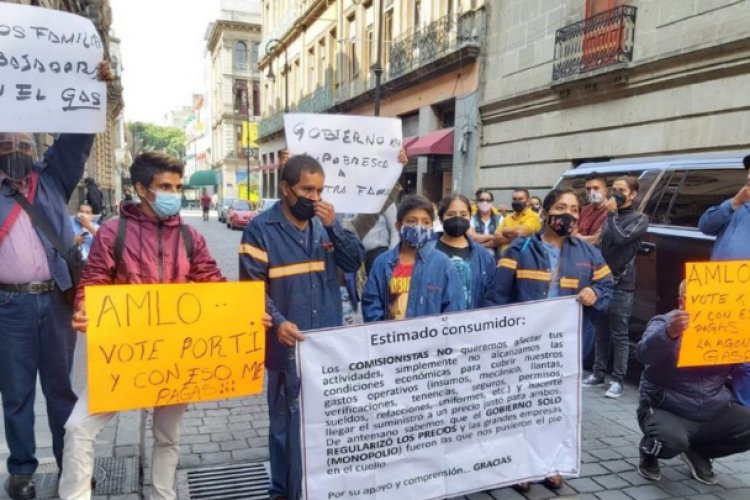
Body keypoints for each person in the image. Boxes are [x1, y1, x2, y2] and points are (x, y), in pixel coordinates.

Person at [58, 152, 230, 500]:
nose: (174, 193)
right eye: (165, 186)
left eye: (178, 187)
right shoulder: (112, 232)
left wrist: (244, 312)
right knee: (78, 428)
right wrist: (83, 308)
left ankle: (163, 495)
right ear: (141, 188)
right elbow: (93, 282)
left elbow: (214, 282)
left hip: (174, 355)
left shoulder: (189, 237)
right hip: (123, 354)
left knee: (168, 436)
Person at [0, 60, 112, 500]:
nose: (16, 148)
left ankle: (74, 468)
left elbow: (77, 137)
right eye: (7, 143)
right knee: (16, 392)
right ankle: (22, 471)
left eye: (23, 142)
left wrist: (94, 87)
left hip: (57, 301)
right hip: (9, 306)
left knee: (61, 389)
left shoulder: (52, 179)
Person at [239, 154, 364, 500]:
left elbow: (354, 261)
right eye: (307, 189)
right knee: (284, 426)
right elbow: (252, 289)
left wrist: (335, 226)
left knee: (323, 423)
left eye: (320, 190)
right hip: (285, 347)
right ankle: (282, 491)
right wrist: (277, 322)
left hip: (324, 346)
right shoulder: (260, 229)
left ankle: (318, 488)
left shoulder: (326, 226)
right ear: (285, 189)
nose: (314, 197)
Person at [484, 188, 613, 492]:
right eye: (559, 207)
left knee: (556, 406)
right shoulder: (520, 248)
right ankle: (519, 466)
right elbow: (497, 297)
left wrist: (596, 294)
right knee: (521, 405)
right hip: (523, 345)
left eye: (573, 209)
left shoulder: (589, 253)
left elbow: (607, 287)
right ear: (545, 212)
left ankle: (551, 463)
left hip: (564, 348)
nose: (566, 214)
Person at [635, 280, 750, 484]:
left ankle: (698, 453)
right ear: (682, 302)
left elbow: (741, 372)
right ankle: (649, 451)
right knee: (670, 441)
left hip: (713, 408)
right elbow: (644, 355)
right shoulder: (664, 322)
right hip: (668, 407)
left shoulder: (729, 326)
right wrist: (670, 333)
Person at [583, 176, 648, 398]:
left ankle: (618, 380)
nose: (616, 194)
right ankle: (598, 373)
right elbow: (603, 242)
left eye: (622, 190)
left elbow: (621, 239)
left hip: (623, 282)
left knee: (619, 333)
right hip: (603, 281)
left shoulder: (639, 219)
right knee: (601, 330)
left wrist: (611, 214)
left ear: (633, 195)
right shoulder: (610, 217)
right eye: (615, 189)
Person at [362, 194, 465, 321]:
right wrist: (382, 332)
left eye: (426, 222)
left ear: (431, 227)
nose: (419, 227)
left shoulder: (442, 264)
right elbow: (371, 302)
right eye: (412, 221)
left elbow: (454, 307)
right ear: (398, 226)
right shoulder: (382, 263)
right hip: (391, 337)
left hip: (430, 337)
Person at [698, 156, 750, 404]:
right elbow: (705, 226)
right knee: (713, 356)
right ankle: (712, 409)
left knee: (745, 363)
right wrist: (735, 202)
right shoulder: (734, 207)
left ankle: (744, 417)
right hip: (719, 294)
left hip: (746, 299)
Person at [430, 194, 496, 309]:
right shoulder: (427, 251)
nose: (458, 218)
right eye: (451, 214)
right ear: (441, 218)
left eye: (463, 214)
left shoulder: (483, 255)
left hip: (469, 324)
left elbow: (491, 294)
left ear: (470, 217)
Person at [493, 188, 541, 255]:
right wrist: (517, 236)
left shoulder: (534, 217)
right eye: (514, 199)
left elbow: (520, 233)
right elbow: (496, 238)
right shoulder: (508, 217)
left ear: (528, 201)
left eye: (520, 199)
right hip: (503, 259)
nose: (517, 201)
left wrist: (504, 230)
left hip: (523, 260)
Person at [361, 202, 399, 275]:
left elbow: (395, 230)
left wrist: (391, 257)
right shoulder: (356, 199)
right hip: (359, 257)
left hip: (378, 254)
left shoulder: (385, 200)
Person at [575, 173, 609, 246]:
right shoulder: (583, 210)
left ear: (605, 191)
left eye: (596, 188)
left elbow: (596, 240)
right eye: (588, 189)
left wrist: (577, 237)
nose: (592, 192)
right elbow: (572, 231)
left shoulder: (611, 211)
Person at [468, 188, 501, 254]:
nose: (485, 202)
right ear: (477, 202)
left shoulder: (500, 219)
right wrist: (493, 237)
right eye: (481, 200)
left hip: (496, 257)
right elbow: (472, 237)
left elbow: (501, 239)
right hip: (476, 254)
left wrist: (482, 244)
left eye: (488, 200)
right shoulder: (471, 219)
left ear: (492, 202)